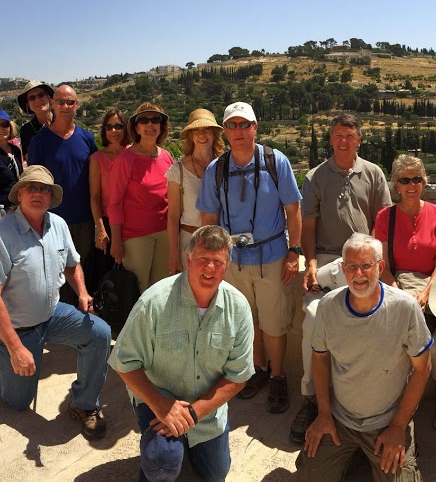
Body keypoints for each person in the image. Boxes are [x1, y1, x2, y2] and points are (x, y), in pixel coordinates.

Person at [108, 225, 254, 482]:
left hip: (206, 411)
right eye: (203, 259)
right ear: (188, 259)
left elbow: (238, 376)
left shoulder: (239, 307)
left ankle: (184, 443)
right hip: (158, 399)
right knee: (162, 466)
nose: (210, 268)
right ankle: (157, 463)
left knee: (215, 475)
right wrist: (162, 406)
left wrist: (193, 415)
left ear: (227, 266)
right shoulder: (154, 301)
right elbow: (123, 361)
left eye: (218, 261)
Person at [0, 165, 112, 439]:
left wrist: (82, 292)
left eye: (45, 189)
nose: (38, 193)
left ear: (51, 197)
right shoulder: (0, 234)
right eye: (32, 187)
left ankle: (84, 403)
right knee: (17, 402)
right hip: (17, 326)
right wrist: (15, 348)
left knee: (100, 333)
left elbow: (72, 265)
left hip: (51, 314)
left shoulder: (58, 225)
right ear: (19, 194)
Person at [196, 102, 303, 416]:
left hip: (272, 256)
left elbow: (293, 209)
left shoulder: (275, 161)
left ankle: (278, 376)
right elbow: (209, 218)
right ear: (225, 131)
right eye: (232, 125)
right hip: (234, 260)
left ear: (255, 127)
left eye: (245, 124)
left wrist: (294, 251)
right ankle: (258, 369)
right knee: (248, 320)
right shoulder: (217, 169)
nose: (239, 131)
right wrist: (212, 258)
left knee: (274, 323)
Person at [298, 234, 430, 482]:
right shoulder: (328, 306)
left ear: (380, 267)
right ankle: (357, 455)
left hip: (387, 420)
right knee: (311, 480)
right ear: (342, 269)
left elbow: (423, 368)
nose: (358, 274)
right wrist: (323, 414)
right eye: (351, 266)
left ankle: (384, 452)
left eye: (366, 265)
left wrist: (398, 427)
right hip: (341, 418)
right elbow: (320, 359)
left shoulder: (405, 308)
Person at [296, 112, 390, 441]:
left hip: (363, 258)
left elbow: (381, 223)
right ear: (331, 139)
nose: (343, 141)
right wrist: (310, 264)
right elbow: (307, 226)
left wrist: (377, 262)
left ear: (359, 140)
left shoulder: (374, 174)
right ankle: (310, 398)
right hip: (327, 257)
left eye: (349, 135)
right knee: (313, 317)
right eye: (338, 135)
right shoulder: (315, 177)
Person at [373, 154, 436, 430]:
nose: (412, 185)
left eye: (417, 179)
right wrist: (401, 294)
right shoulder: (385, 218)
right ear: (396, 184)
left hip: (433, 285)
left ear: (424, 181)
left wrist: (426, 292)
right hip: (397, 285)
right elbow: (382, 266)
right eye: (405, 180)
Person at [26, 85, 99, 265]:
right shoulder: (39, 141)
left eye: (70, 102)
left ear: (77, 105)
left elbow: (97, 177)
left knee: (82, 271)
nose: (65, 106)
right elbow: (34, 183)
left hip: (84, 220)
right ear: (53, 104)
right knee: (55, 273)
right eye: (60, 102)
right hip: (52, 220)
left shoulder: (87, 138)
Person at [107, 102, 175, 291]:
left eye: (155, 120)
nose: (150, 124)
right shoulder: (125, 159)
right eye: (143, 120)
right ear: (136, 128)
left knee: (161, 290)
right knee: (137, 291)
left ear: (161, 126)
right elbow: (114, 203)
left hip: (165, 233)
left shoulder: (167, 157)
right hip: (136, 237)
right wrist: (116, 241)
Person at [165, 109, 223, 274]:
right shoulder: (178, 171)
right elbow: (173, 216)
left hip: (220, 243)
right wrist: (174, 254)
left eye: (207, 129)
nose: (202, 134)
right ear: (190, 136)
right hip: (189, 242)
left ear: (214, 134)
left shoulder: (225, 166)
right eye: (197, 130)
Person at [89, 109, 129, 257]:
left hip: (133, 220)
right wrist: (100, 229)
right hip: (108, 223)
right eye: (109, 126)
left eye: (118, 126)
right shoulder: (97, 159)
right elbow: (95, 197)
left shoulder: (133, 154)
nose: (113, 131)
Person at [15, 80, 52, 154]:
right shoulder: (26, 131)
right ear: (28, 105)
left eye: (41, 95)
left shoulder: (62, 121)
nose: (37, 100)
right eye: (32, 98)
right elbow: (29, 158)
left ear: (49, 98)